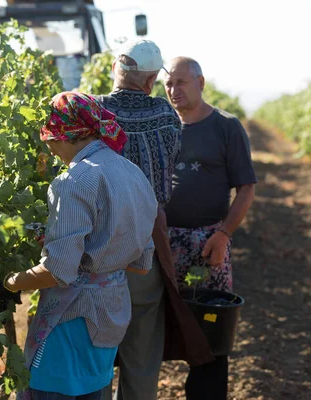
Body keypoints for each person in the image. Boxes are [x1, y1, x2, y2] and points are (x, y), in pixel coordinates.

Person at [5, 91, 159, 400]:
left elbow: (58, 272)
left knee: (52, 392)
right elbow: (141, 263)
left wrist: (10, 283)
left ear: (63, 135)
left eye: (49, 140)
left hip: (72, 319)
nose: (48, 148)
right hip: (111, 312)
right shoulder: (133, 173)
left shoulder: (74, 181)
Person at [97, 40, 213, 400]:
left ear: (118, 72)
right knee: (142, 351)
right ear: (150, 81)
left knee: (96, 347)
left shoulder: (95, 111)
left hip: (99, 243)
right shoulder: (164, 115)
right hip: (147, 238)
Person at [163, 57, 257, 400]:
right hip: (161, 244)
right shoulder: (162, 127)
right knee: (152, 326)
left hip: (207, 246)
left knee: (210, 328)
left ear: (200, 83)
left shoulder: (226, 127)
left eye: (181, 83)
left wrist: (223, 235)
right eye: (168, 83)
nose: (174, 90)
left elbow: (246, 188)